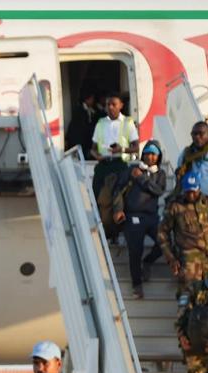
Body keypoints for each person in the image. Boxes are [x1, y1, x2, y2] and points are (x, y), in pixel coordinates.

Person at [158, 170, 208, 295]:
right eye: (188, 192)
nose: (191, 195)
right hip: (188, 264)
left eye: (193, 191)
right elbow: (162, 233)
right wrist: (171, 258)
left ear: (199, 188)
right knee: (188, 299)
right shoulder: (175, 206)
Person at [112, 140, 168, 298]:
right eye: (148, 153)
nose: (150, 157)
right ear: (143, 155)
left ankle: (148, 262)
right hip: (133, 217)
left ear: (159, 157)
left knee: (165, 243)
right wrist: (118, 210)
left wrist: (142, 178)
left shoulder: (161, 174)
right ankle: (137, 285)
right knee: (135, 250)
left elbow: (158, 191)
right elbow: (118, 190)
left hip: (152, 217)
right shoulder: (132, 169)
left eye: (154, 154)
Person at [90, 92, 139, 224]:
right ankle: (100, 225)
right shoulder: (100, 123)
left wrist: (121, 149)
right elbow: (92, 148)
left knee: (118, 198)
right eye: (108, 104)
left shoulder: (128, 122)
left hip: (120, 163)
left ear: (121, 105)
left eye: (113, 104)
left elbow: (136, 147)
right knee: (97, 195)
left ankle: (117, 227)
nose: (110, 107)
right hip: (103, 164)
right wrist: (97, 156)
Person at [66, 85, 101, 159]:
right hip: (81, 140)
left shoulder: (91, 110)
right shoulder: (80, 111)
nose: (93, 100)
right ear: (87, 99)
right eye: (92, 98)